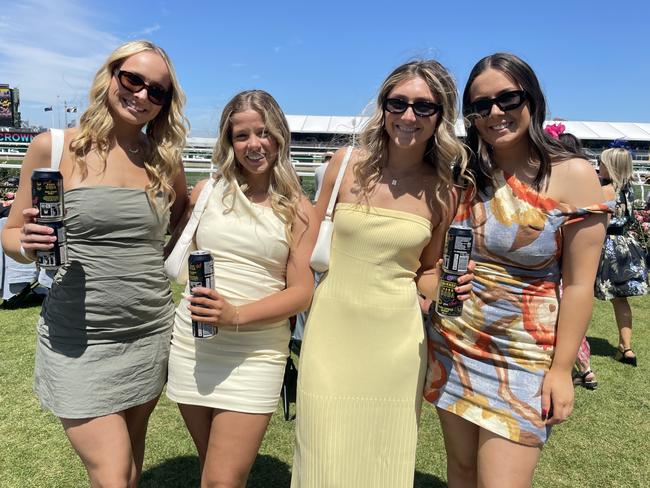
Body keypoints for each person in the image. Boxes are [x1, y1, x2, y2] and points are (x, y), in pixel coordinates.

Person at [1, 40, 188, 486]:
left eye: (157, 91)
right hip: (78, 336)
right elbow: (9, 235)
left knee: (131, 462)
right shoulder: (53, 147)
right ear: (111, 78)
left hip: (148, 330)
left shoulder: (165, 161)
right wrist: (28, 244)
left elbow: (181, 223)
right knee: (112, 471)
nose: (142, 95)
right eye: (134, 80)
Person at [424, 52, 609, 487]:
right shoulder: (465, 171)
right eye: (480, 105)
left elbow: (581, 285)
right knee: (462, 472)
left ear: (532, 99)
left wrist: (562, 369)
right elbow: (434, 259)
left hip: (527, 356)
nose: (494, 113)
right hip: (454, 345)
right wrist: (438, 282)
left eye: (508, 99)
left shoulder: (573, 174)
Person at [291, 59, 474, 487]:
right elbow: (306, 246)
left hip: (396, 344)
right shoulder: (345, 164)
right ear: (384, 106)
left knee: (381, 458)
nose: (409, 116)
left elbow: (426, 271)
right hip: (330, 333)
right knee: (320, 452)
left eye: (424, 107)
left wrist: (448, 281)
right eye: (399, 103)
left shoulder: (444, 191)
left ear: (440, 116)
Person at [165, 89, 318, 488]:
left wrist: (236, 315)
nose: (254, 145)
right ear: (229, 142)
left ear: (280, 136)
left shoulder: (299, 208)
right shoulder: (207, 192)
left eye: (264, 133)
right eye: (242, 136)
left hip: (257, 351)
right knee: (212, 467)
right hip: (194, 343)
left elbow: (301, 292)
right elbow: (163, 242)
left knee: (221, 480)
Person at [594, 147, 648, 366]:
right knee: (620, 298)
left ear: (612, 166)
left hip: (603, 243)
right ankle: (626, 347)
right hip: (625, 245)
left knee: (579, 291)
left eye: (602, 163)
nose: (599, 166)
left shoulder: (605, 189)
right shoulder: (628, 188)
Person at [556, 130, 599, 389]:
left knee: (566, 313)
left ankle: (579, 366)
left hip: (560, 266)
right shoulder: (584, 178)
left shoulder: (570, 181)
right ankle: (585, 367)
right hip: (573, 263)